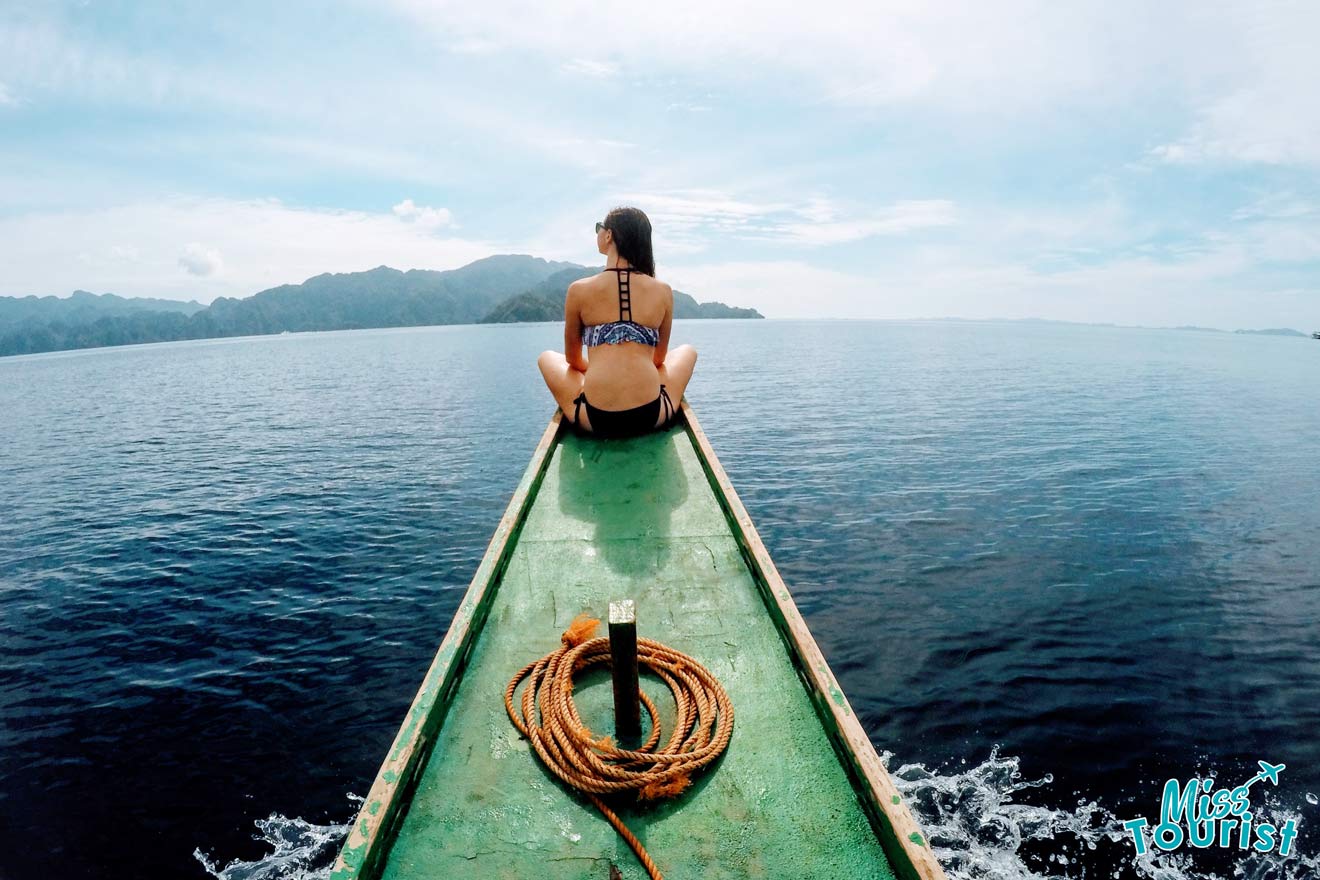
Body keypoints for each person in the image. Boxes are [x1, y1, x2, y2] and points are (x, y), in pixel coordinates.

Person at [537, 206, 698, 439]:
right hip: (652, 414)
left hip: (595, 418)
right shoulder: (662, 291)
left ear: (609, 235)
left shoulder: (579, 290)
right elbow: (659, 359)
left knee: (547, 358)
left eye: (598, 229)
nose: (598, 234)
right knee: (687, 351)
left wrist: (602, 369)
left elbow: (572, 360)